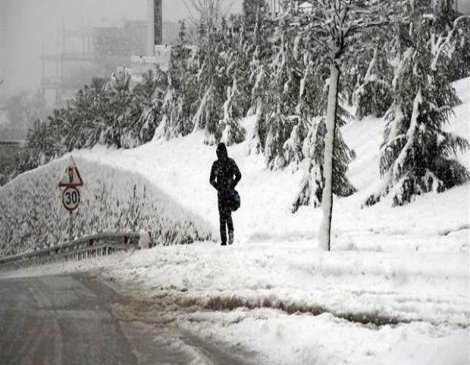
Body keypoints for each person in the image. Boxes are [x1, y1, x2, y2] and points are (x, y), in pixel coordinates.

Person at [209, 143, 242, 245]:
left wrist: (223, 187)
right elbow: (238, 175)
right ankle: (227, 237)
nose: (220, 156)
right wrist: (229, 186)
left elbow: (211, 180)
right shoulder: (226, 163)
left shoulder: (221, 164)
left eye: (220, 153)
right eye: (219, 154)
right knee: (225, 215)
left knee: (224, 216)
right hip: (225, 193)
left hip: (225, 193)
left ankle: (226, 239)